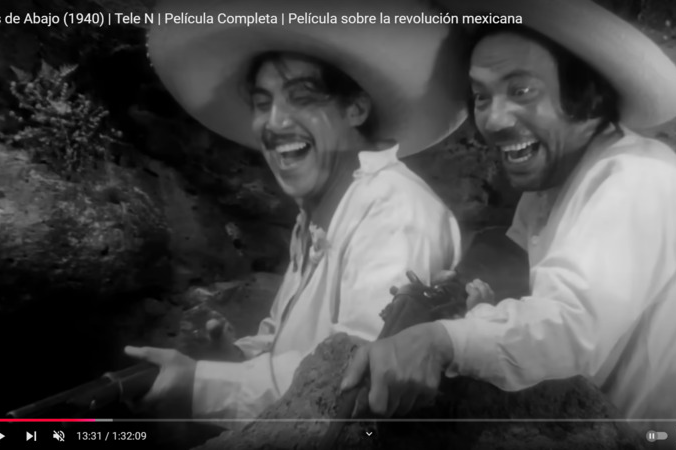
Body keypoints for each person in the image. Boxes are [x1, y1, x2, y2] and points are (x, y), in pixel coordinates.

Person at [341, 0, 676, 447]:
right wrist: (457, 295)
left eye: (522, 90)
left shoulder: (635, 178)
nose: (493, 120)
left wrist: (443, 341)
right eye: (482, 96)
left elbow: (571, 326)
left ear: (586, 96)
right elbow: (518, 261)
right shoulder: (550, 185)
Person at [124, 0, 467, 421]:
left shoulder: (397, 212)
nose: (275, 122)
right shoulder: (316, 218)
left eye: (301, 98)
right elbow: (290, 341)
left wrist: (199, 384)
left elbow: (354, 373)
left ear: (356, 109)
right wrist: (235, 358)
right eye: (261, 103)